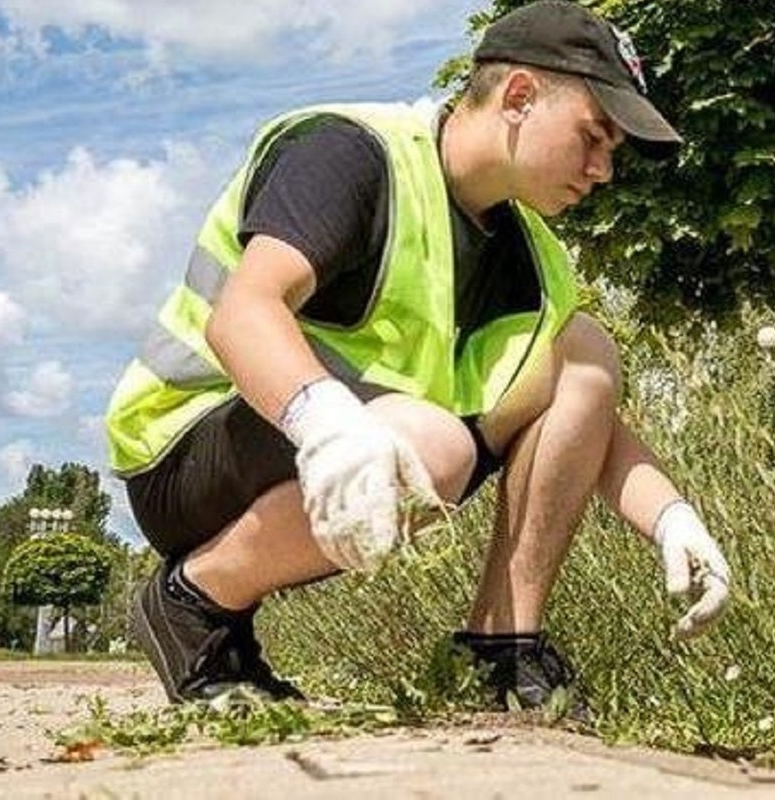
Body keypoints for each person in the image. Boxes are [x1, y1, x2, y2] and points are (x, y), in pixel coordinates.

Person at [104, 0, 732, 713]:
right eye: (594, 136)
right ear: (520, 97)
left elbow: (586, 419)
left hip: (354, 446)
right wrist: (329, 425)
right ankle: (194, 602)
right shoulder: (352, 153)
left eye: (612, 151)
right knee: (436, 447)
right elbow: (242, 316)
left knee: (582, 351)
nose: (603, 170)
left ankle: (504, 649)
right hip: (187, 450)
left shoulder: (532, 257)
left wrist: (673, 518)